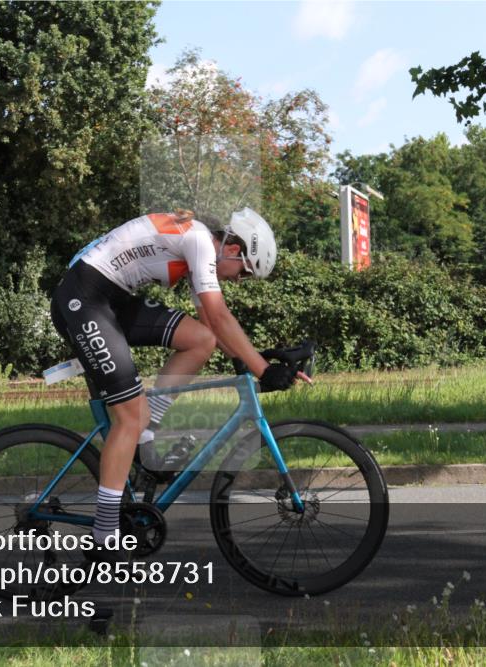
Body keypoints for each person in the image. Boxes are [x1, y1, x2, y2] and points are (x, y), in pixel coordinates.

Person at [50, 207, 305, 558]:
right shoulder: (199, 240)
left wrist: (255, 358)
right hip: (85, 299)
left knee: (200, 340)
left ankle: (146, 434)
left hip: (112, 299)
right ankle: (104, 534)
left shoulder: (199, 248)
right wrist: (263, 370)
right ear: (233, 250)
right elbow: (218, 313)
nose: (239, 281)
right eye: (244, 273)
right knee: (129, 415)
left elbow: (211, 325)